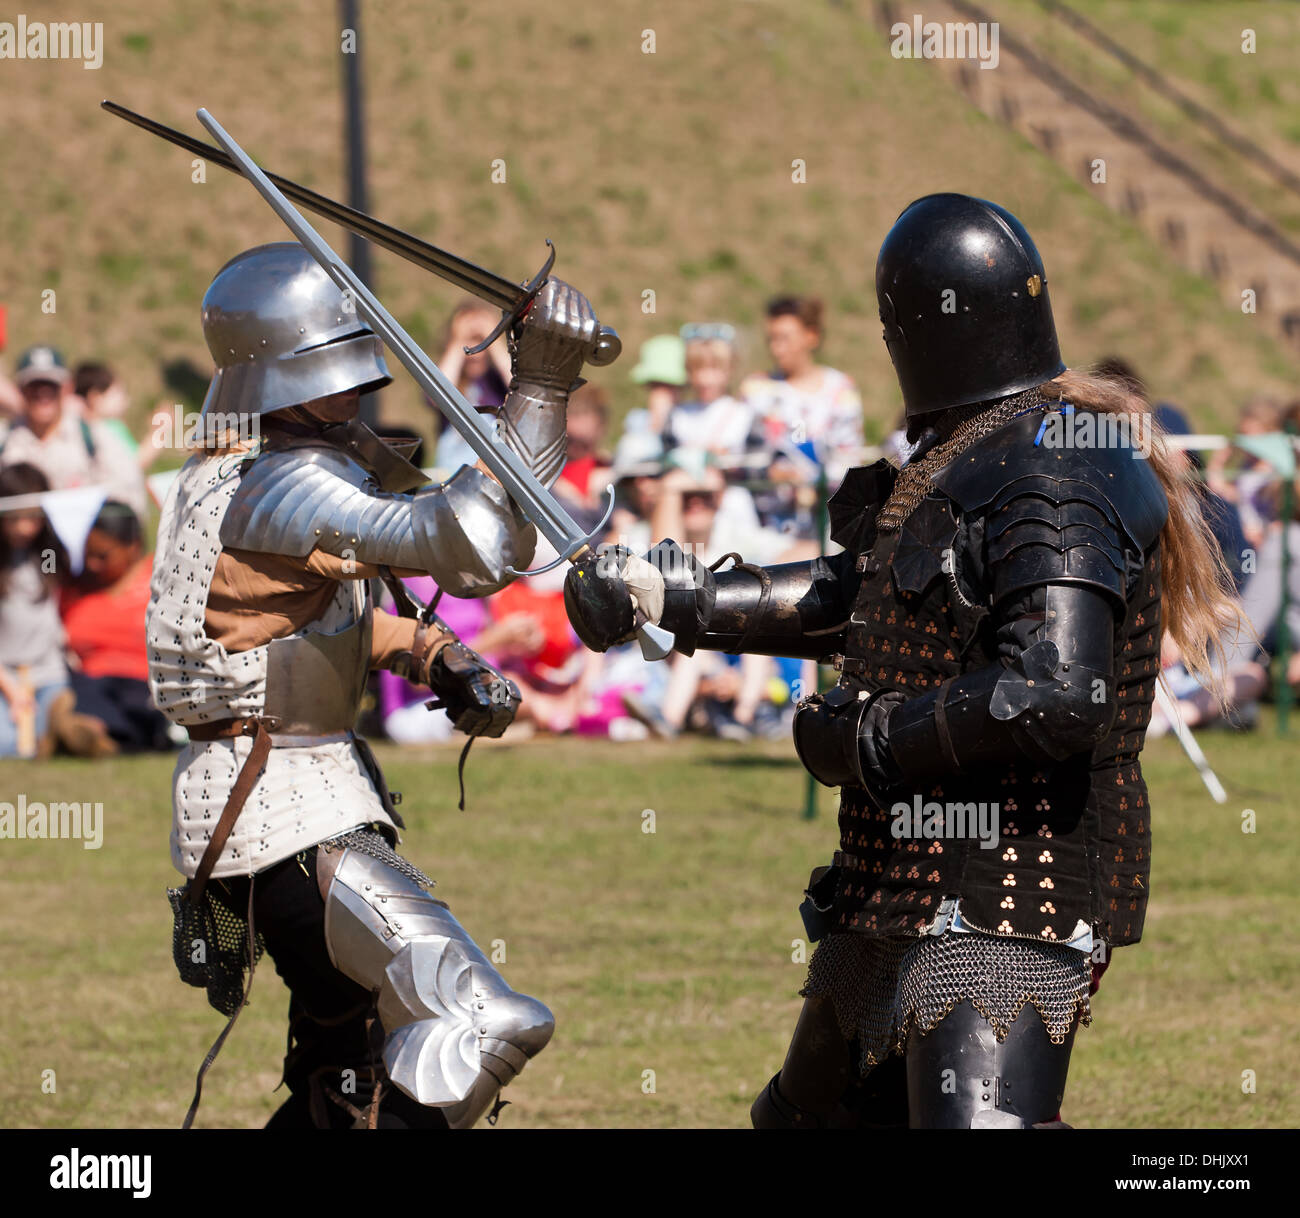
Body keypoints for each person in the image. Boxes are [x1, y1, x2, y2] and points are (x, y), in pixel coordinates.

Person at [565, 193, 1239, 1128]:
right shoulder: (960, 454)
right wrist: (676, 596)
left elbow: (1056, 692)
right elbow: (862, 595)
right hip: (901, 873)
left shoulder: (1055, 463)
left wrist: (870, 739)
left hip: (1013, 870)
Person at [148, 242, 604, 1128]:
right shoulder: (275, 485)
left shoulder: (231, 474)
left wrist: (433, 656)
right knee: (481, 1024)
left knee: (345, 1067)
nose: (359, 392)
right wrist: (542, 382)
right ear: (285, 376)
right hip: (284, 812)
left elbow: (298, 622)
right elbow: (472, 549)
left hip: (280, 802)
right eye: (338, 371)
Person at [59, 501, 172, 754]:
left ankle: (94, 735)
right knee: (84, 692)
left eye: (102, 555)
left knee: (138, 705)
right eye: (86, 554)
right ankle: (93, 732)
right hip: (89, 680)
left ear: (132, 547)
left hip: (145, 682)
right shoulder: (74, 587)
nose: (92, 564)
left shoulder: (162, 578)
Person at [0, 346, 148, 518]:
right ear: (20, 389)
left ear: (66, 388)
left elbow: (130, 490)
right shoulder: (4, 439)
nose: (43, 393)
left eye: (51, 385)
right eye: (34, 385)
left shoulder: (93, 435)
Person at [0, 463, 70, 757]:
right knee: (8, 744)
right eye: (14, 518)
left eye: (33, 518)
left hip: (48, 671)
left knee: (49, 731)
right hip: (7, 675)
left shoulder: (48, 556)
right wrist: (13, 691)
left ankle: (57, 728)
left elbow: (52, 597)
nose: (24, 528)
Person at [430, 297, 511, 473]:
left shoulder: (498, 381)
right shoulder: (451, 376)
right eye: (468, 340)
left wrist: (495, 342)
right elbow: (436, 394)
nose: (473, 350)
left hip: (495, 472)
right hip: (452, 473)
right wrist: (458, 341)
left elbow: (517, 385)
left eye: (480, 340)